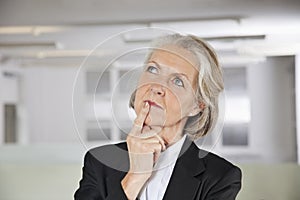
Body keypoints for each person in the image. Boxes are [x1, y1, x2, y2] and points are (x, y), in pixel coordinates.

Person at [74, 33, 242, 200]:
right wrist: (134, 178)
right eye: (153, 70)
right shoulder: (99, 163)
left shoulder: (220, 177)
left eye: (178, 81)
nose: (156, 87)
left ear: (197, 105)